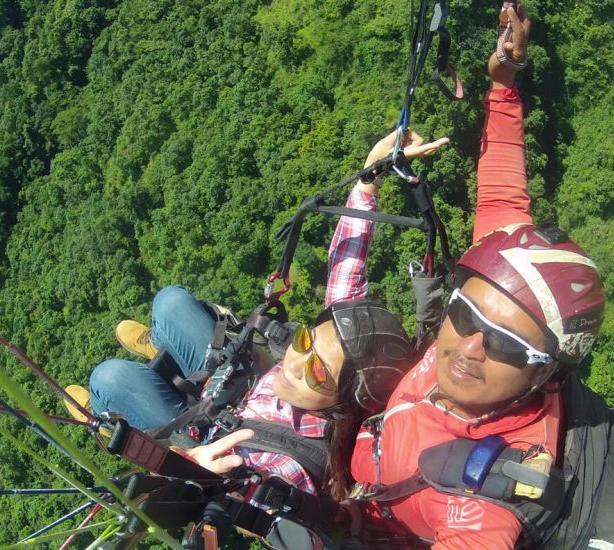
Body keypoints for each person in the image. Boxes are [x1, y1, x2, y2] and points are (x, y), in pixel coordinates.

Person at [341, 5, 612, 548]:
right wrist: (504, 82)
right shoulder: (501, 283)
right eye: (463, 311)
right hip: (366, 455)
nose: (471, 344)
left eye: (509, 346)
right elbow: (503, 193)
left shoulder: (492, 497)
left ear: (545, 373)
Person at [66, 130, 449, 500]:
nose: (295, 362)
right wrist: (371, 177)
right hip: (234, 379)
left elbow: (267, 502)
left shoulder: (294, 465)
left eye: (317, 372)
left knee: (109, 377)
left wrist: (195, 472)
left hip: (200, 439)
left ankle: (100, 409)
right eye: (305, 341)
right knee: (170, 302)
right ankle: (162, 349)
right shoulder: (330, 364)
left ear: (343, 402)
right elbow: (345, 270)